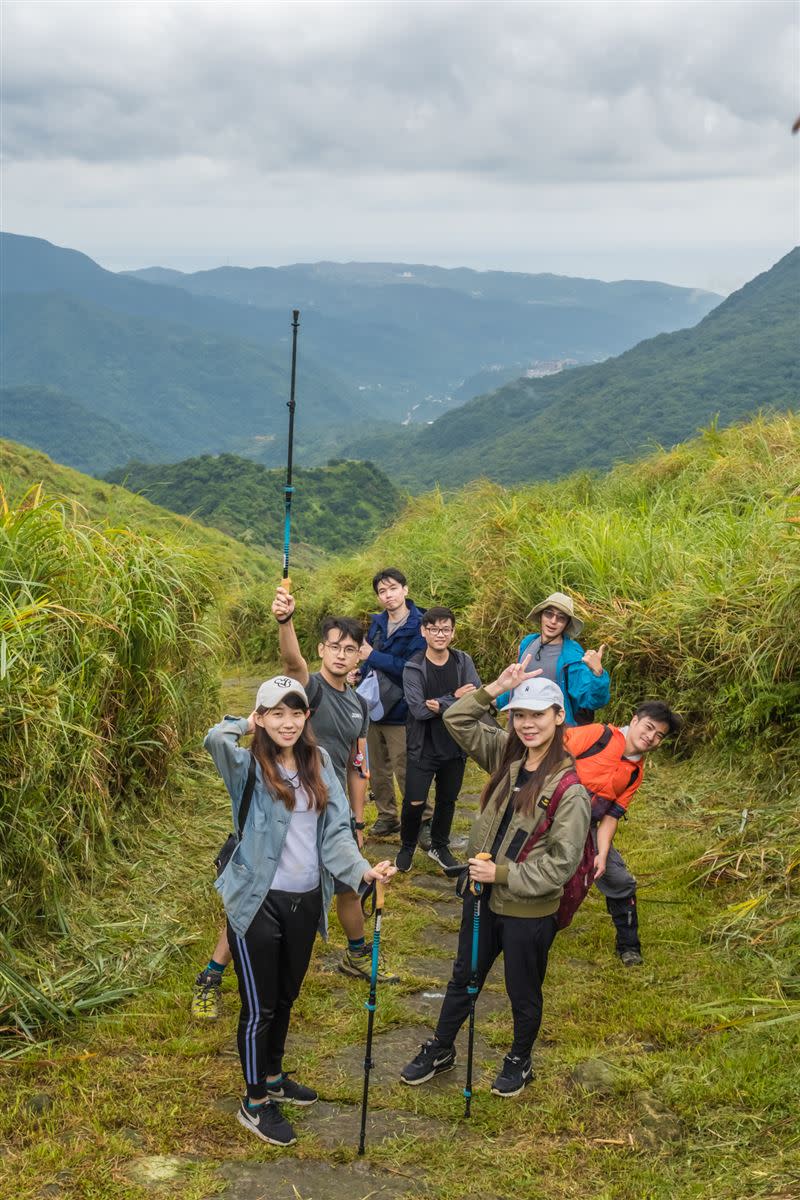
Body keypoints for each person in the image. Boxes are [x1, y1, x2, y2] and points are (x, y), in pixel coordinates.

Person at [205, 676, 395, 1147]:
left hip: (306, 899)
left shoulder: (319, 761)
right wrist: (247, 722)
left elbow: (334, 832)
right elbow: (214, 738)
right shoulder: (246, 764)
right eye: (276, 713)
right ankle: (253, 1102)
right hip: (256, 901)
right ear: (262, 717)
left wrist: (362, 872)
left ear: (307, 717)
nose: (287, 723)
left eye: (295, 713)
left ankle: (272, 1077)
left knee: (286, 997)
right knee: (259, 1007)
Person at [400, 658, 590, 1099]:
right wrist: (498, 687)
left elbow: (561, 865)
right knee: (463, 976)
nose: (526, 725)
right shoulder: (507, 755)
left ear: (558, 718)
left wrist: (500, 873)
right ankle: (442, 1047)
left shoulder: (570, 791)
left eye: (537, 715)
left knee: (522, 991)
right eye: (519, 715)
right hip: (480, 896)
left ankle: (520, 1060)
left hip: (528, 908)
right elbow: (456, 718)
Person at [270, 586, 400, 982]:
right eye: (335, 647)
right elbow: (292, 663)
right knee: (270, 883)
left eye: (350, 648)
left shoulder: (360, 704)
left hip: (335, 809)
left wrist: (357, 821)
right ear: (322, 650)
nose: (342, 654)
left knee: (349, 881)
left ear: (360, 653)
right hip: (290, 802)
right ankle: (221, 965)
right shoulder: (309, 689)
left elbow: (357, 765)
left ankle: (357, 956)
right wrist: (284, 620)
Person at [565, 701, 682, 966]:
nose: (651, 737)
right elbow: (548, 760)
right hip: (547, 817)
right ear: (635, 719)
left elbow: (610, 817)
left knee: (620, 879)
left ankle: (629, 947)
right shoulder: (597, 734)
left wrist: (602, 854)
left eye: (659, 736)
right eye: (649, 727)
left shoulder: (635, 772)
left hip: (586, 828)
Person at [396, 606, 481, 873]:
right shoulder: (414, 667)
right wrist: (455, 698)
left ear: (453, 633)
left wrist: (442, 702)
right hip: (422, 746)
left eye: (446, 629)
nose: (440, 634)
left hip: (455, 744)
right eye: (434, 629)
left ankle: (439, 844)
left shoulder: (462, 661)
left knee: (448, 799)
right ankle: (407, 845)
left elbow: (476, 699)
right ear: (424, 631)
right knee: (414, 801)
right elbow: (420, 710)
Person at [358, 567, 427, 838]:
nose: (388, 596)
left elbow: (412, 668)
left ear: (405, 589)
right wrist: (359, 671)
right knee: (376, 768)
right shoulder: (377, 624)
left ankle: (422, 820)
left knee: (406, 767)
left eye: (393, 588)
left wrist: (372, 657)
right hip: (374, 708)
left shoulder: (420, 626)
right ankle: (387, 816)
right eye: (382, 592)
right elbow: (367, 662)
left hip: (402, 709)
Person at [496, 591, 610, 726]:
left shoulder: (571, 655)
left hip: (554, 733)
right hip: (520, 727)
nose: (553, 621)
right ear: (541, 616)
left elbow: (591, 701)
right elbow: (518, 686)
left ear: (567, 624)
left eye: (561, 618)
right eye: (549, 614)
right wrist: (492, 701)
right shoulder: (528, 643)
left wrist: (598, 674)